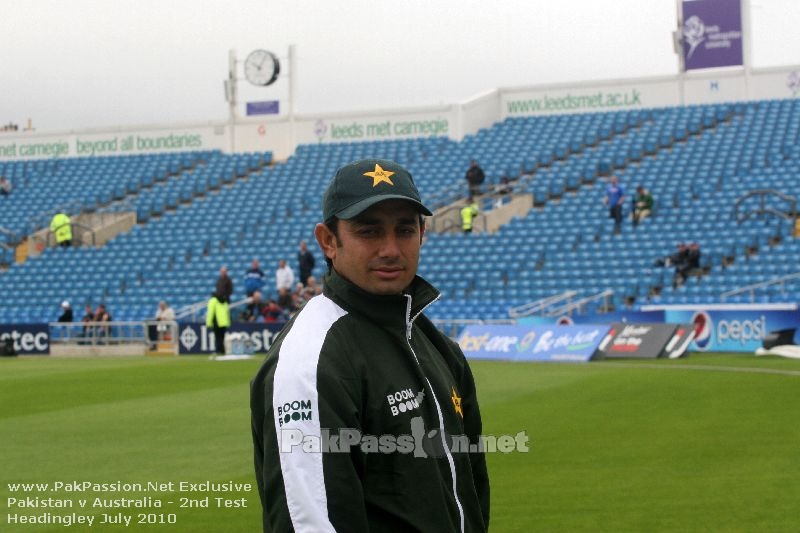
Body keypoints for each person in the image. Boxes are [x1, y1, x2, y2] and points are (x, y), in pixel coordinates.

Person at [251, 158, 490, 532]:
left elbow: (471, 488)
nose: (391, 248)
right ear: (328, 241)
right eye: (370, 231)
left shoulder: (435, 344)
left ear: (422, 234)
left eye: (405, 230)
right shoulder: (312, 358)